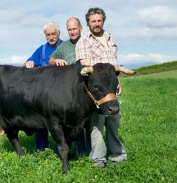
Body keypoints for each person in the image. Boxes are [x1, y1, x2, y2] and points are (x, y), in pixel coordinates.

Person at [76, 7, 127, 168]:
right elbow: (85, 64)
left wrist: (117, 82)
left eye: (99, 20)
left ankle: (117, 154)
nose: (96, 24)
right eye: (93, 21)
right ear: (88, 23)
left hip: (110, 86)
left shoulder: (110, 38)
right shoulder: (84, 41)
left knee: (113, 121)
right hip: (97, 89)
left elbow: (113, 64)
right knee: (97, 123)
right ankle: (98, 158)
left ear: (103, 21)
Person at [49, 17, 91, 158]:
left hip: (87, 90)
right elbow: (50, 60)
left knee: (88, 122)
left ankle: (90, 152)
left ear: (81, 28)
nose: (72, 32)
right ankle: (76, 152)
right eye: (70, 29)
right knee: (73, 122)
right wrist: (56, 60)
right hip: (68, 93)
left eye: (74, 29)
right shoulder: (64, 46)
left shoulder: (88, 42)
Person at [25, 22, 63, 151]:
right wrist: (29, 62)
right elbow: (28, 62)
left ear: (59, 34)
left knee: (60, 123)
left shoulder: (65, 47)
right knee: (40, 121)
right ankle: (41, 149)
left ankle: (61, 149)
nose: (51, 37)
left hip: (60, 93)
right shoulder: (41, 50)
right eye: (48, 35)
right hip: (42, 94)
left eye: (53, 34)